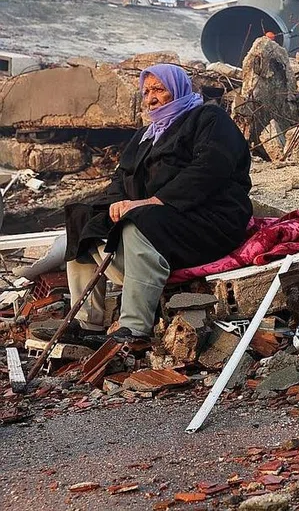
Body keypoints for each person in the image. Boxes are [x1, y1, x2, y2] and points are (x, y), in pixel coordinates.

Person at [61, 64, 253, 342]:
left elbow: (209, 169)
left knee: (141, 220)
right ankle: (87, 321)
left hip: (209, 218)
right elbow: (120, 178)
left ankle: (134, 327)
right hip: (161, 219)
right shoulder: (146, 135)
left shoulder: (208, 118)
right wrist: (118, 203)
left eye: (159, 89)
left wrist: (153, 201)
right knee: (82, 218)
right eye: (146, 91)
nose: (150, 98)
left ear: (177, 89)